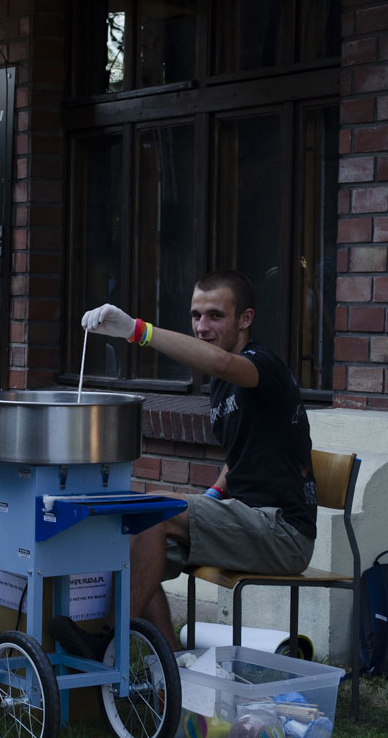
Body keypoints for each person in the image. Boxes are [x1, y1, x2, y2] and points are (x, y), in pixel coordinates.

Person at [62, 269, 317, 653]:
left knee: (153, 513)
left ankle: (104, 642)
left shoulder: (262, 365)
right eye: (196, 315)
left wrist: (138, 331)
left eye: (216, 315)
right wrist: (213, 493)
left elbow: (221, 363)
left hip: (283, 533)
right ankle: (173, 665)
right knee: (130, 537)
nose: (202, 326)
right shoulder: (222, 384)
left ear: (245, 319)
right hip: (247, 518)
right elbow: (243, 455)